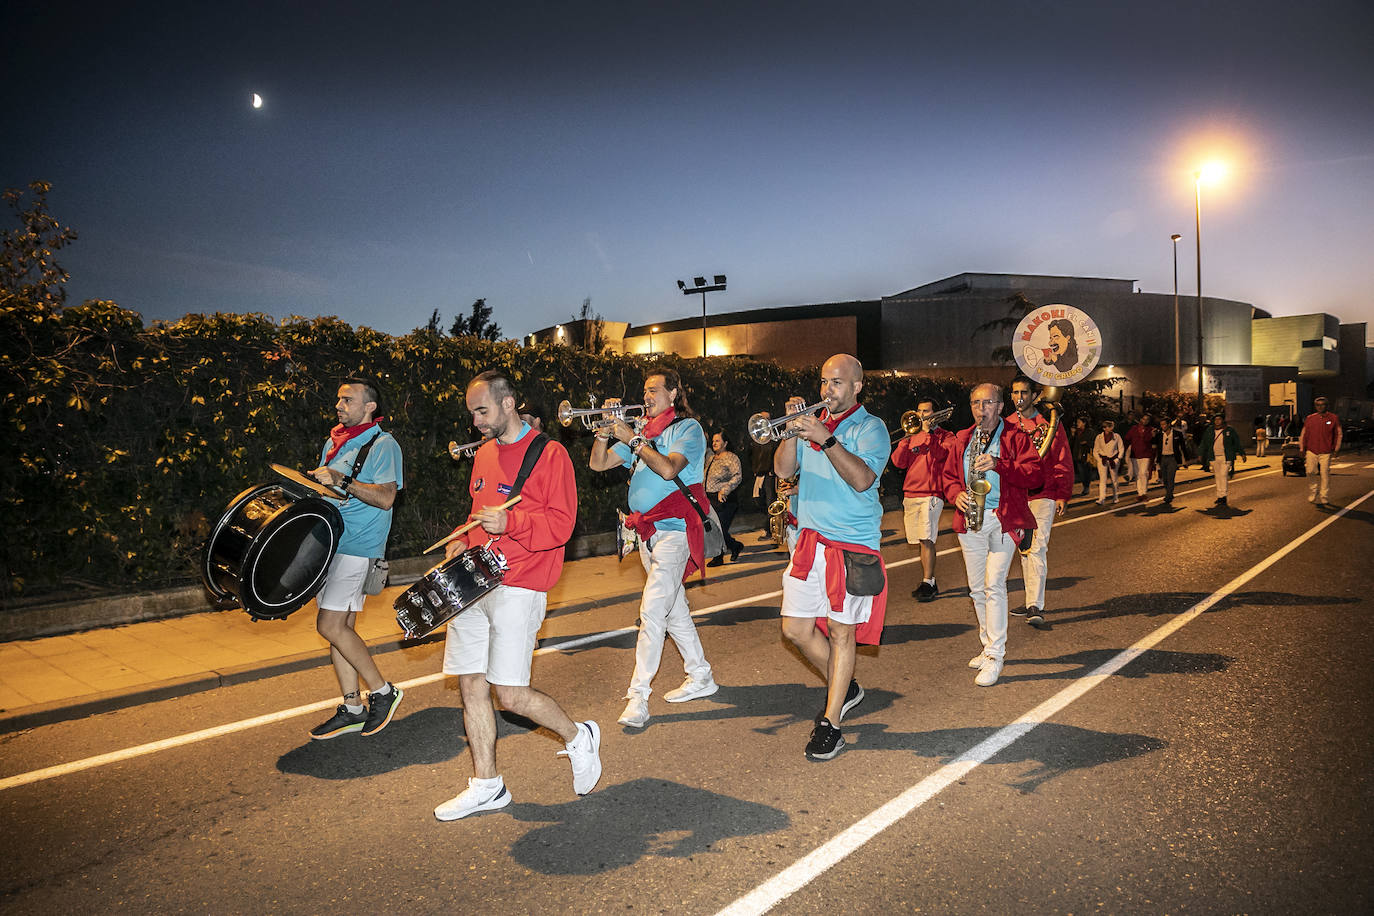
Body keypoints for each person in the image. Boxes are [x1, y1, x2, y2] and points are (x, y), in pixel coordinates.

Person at [434, 371, 601, 821]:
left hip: (521, 583)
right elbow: (477, 514)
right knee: (471, 683)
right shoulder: (485, 453)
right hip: (476, 579)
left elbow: (563, 527)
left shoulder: (551, 454)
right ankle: (487, 784)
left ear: (508, 404)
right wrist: (460, 539)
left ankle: (578, 735)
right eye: (471, 413)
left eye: (482, 411)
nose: (476, 422)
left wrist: (513, 525)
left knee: (509, 694)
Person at [775, 354, 890, 759]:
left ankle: (831, 724)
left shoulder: (871, 428)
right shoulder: (811, 425)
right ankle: (847, 687)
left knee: (842, 633)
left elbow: (862, 479)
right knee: (795, 630)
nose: (827, 390)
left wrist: (826, 437)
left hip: (852, 546)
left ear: (857, 386)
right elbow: (783, 471)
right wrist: (790, 433)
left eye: (837, 383)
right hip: (809, 541)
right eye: (824, 381)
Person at [590, 369, 718, 728]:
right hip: (647, 534)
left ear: (673, 394)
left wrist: (633, 439)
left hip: (676, 531)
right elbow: (597, 463)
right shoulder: (642, 431)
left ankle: (638, 696)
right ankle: (701, 675)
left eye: (654, 391)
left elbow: (667, 470)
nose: (646, 397)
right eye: (644, 391)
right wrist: (603, 431)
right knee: (673, 611)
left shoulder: (687, 429)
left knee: (651, 611)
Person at [307, 379, 406, 740]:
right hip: (332, 544)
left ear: (370, 407)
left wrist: (341, 480)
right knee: (341, 631)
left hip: (359, 547)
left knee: (330, 626)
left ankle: (383, 691)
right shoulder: (333, 442)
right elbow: (326, 490)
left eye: (348, 399)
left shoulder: (384, 444)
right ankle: (352, 708)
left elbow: (385, 498)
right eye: (338, 398)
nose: (339, 404)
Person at [942, 382, 1043, 687]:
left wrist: (1000, 464)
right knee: (975, 589)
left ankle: (996, 655)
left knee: (993, 585)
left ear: (1000, 407)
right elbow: (947, 477)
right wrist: (956, 493)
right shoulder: (963, 439)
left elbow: (1035, 475)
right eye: (975, 403)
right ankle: (987, 647)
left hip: (1003, 519)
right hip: (970, 519)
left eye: (987, 403)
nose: (981, 409)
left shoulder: (1015, 437)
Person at [1007, 376, 1073, 628]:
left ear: (1035, 396)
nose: (1019, 397)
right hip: (1016, 495)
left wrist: (1062, 494)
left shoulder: (1049, 425)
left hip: (1043, 493)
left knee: (1037, 547)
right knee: (1024, 549)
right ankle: (1029, 598)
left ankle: (1036, 604)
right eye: (1015, 393)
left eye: (1024, 392)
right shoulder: (1006, 425)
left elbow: (1062, 459)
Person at [890, 398, 952, 602]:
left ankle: (928, 582)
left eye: (926, 411)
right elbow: (898, 463)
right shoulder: (912, 436)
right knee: (918, 540)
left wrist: (928, 435)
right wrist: (907, 439)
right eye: (919, 411)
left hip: (932, 493)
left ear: (936, 414)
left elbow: (943, 456)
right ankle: (928, 580)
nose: (922, 415)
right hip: (911, 493)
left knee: (927, 538)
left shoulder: (946, 436)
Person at [705, 430, 745, 565]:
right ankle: (734, 546)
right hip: (709, 499)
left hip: (725, 499)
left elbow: (737, 476)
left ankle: (719, 556)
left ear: (725, 443)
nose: (714, 443)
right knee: (714, 528)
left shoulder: (731, 457)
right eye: (713, 441)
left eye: (718, 441)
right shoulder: (711, 457)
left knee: (719, 528)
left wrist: (725, 489)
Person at [1299, 397, 1343, 507]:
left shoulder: (1333, 418)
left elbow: (1338, 434)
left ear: (1327, 406)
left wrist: (1336, 449)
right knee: (1310, 471)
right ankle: (1313, 491)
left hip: (1326, 451)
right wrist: (1302, 448)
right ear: (1315, 406)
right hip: (1311, 450)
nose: (1320, 407)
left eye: (1322, 405)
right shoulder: (1310, 418)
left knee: (1324, 474)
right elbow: (1304, 434)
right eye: (1318, 405)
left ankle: (1324, 496)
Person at [1198, 413, 1245, 506]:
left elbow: (1236, 442)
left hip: (1226, 457)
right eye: (1216, 419)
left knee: (1223, 475)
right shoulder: (1210, 430)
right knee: (1217, 476)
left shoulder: (1229, 430)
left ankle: (1223, 496)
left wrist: (1242, 453)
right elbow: (1204, 443)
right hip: (1214, 457)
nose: (1217, 421)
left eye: (1219, 419)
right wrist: (1200, 454)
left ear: (1223, 420)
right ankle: (1219, 496)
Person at [748, 416, 778, 538]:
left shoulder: (773, 438)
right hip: (759, 475)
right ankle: (769, 524)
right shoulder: (757, 439)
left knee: (770, 502)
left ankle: (770, 530)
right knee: (758, 500)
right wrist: (755, 469)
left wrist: (772, 470)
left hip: (770, 476)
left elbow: (776, 456)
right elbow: (750, 456)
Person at [1157, 416, 1191, 505]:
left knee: (1170, 477)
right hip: (1163, 458)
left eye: (1164, 424)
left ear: (1169, 425)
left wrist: (1186, 460)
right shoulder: (1159, 434)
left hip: (1173, 458)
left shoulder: (1177, 434)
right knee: (1165, 479)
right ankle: (1169, 493)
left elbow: (1183, 447)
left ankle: (1168, 495)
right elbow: (1154, 445)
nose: (1162, 426)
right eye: (1161, 425)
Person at [1124, 413, 1157, 502]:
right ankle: (1140, 493)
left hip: (1146, 454)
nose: (1145, 421)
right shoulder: (1134, 428)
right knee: (1137, 475)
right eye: (1143, 419)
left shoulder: (1151, 429)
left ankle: (1144, 492)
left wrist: (1153, 436)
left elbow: (1152, 441)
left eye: (1147, 419)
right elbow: (1127, 438)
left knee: (1143, 473)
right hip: (1135, 454)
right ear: (1140, 419)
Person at [1092, 420, 1125, 505]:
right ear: (1104, 428)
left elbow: (1121, 448)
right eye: (1109, 426)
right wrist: (1099, 460)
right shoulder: (1099, 437)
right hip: (1102, 460)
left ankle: (1116, 497)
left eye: (1112, 426)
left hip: (1113, 460)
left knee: (1114, 479)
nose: (1111, 428)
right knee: (1102, 480)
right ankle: (1102, 498)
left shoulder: (1117, 436)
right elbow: (1095, 450)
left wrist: (1118, 459)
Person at [1070, 416, 1094, 496]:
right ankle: (1085, 486)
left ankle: (1087, 487)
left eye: (1079, 422)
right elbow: (1071, 443)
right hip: (1078, 455)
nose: (1077, 424)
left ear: (1084, 423)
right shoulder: (1076, 432)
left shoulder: (1089, 431)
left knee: (1087, 472)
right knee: (1081, 473)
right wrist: (1073, 434)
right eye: (1077, 422)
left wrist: (1086, 442)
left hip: (1086, 454)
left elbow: (1093, 442)